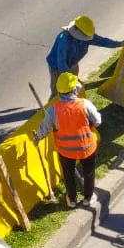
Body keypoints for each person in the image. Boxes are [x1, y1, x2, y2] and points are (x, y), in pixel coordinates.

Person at [36, 72, 102, 208]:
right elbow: (97, 122)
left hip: (66, 151)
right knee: (88, 172)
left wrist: (36, 138)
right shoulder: (85, 104)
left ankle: (72, 199)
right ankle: (88, 198)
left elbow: (44, 129)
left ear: (59, 91)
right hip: (86, 148)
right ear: (74, 89)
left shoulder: (53, 110)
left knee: (68, 175)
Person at [46, 15, 122, 96]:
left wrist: (120, 43)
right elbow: (61, 63)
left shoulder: (86, 36)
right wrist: (72, 78)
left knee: (73, 89)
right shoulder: (64, 39)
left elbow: (103, 41)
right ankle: (53, 107)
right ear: (77, 33)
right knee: (58, 90)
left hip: (72, 63)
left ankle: (72, 103)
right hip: (57, 67)